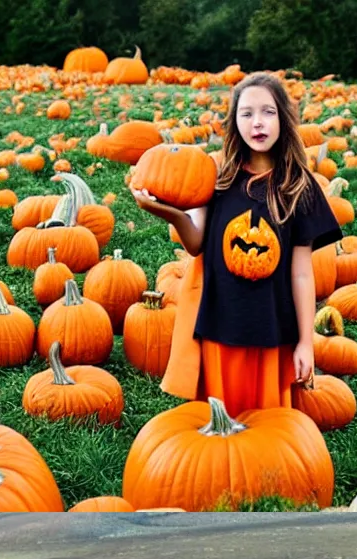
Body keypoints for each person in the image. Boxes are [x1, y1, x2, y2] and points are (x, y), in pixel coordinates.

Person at [132, 72, 343, 416]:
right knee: (221, 426)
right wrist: (169, 214)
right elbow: (196, 243)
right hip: (220, 323)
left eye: (267, 112)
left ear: (284, 119)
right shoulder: (215, 176)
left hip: (274, 328)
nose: (257, 123)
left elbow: (303, 274)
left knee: (268, 425)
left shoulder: (299, 186)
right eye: (246, 114)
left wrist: (306, 343)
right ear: (234, 122)